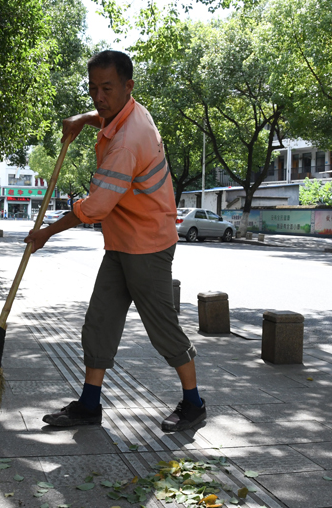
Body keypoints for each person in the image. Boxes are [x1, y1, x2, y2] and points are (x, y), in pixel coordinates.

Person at [24, 50, 206, 432]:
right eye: (92, 89)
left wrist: (45, 234)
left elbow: (95, 207)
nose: (98, 97)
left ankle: (194, 403)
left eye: (106, 88)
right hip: (121, 243)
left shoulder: (128, 142)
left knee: (162, 328)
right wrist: (83, 118)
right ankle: (89, 405)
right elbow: (107, 115)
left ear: (128, 86)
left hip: (148, 245)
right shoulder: (127, 113)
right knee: (100, 322)